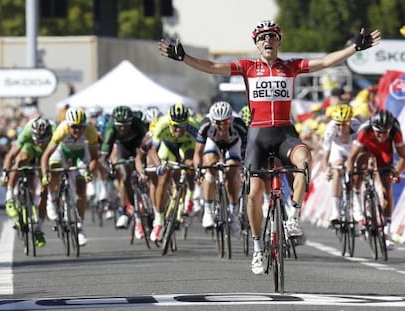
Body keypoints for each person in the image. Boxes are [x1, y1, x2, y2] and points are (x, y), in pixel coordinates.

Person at [158, 20, 381, 274]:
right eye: (263, 37)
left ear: (278, 41)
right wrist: (184, 57)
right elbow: (211, 67)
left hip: (285, 132)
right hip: (258, 136)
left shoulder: (291, 67)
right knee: (253, 193)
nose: (268, 40)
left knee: (304, 161)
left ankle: (294, 220)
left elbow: (326, 61)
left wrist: (354, 48)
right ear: (256, 44)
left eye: (272, 37)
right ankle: (257, 248)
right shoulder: (247, 67)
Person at [346, 109, 405, 250]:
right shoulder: (365, 131)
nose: (381, 135)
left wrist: (395, 172)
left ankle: (387, 231)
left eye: (385, 132)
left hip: (384, 152)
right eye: (378, 132)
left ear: (390, 129)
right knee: (359, 169)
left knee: (386, 189)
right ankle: (357, 204)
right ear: (373, 128)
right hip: (366, 149)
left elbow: (403, 156)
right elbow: (351, 158)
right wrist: (351, 174)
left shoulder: (395, 131)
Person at [41, 107, 99, 247]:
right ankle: (52, 197)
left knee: (81, 193)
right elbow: (45, 156)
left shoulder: (90, 132)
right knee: (54, 166)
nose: (77, 131)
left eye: (80, 127)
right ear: (68, 125)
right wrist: (45, 175)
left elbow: (94, 158)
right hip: (62, 152)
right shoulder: (61, 130)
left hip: (80, 154)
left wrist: (89, 174)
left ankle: (80, 227)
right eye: (73, 127)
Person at [193, 101, 247, 237]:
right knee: (209, 166)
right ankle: (208, 210)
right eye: (218, 122)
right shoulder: (205, 125)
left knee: (232, 170)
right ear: (212, 121)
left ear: (231, 119)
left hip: (233, 144)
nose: (222, 126)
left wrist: (243, 169)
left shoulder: (239, 124)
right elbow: (198, 153)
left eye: (226, 121)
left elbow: (247, 150)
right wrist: (198, 170)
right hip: (213, 143)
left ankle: (234, 214)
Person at [0, 116, 56, 247]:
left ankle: (38, 229)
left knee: (44, 191)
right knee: (19, 161)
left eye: (43, 138)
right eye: (38, 138)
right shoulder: (26, 133)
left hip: (46, 153)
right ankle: (10, 197)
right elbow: (10, 156)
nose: (40, 142)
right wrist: (5, 174)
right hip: (29, 147)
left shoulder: (54, 131)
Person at [148, 103, 199, 242]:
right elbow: (152, 150)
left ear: (187, 123)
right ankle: (158, 220)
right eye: (175, 126)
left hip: (187, 145)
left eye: (182, 126)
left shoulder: (194, 126)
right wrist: (159, 166)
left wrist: (196, 164)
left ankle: (189, 196)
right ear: (170, 122)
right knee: (163, 178)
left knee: (189, 164)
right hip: (168, 145)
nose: (178, 129)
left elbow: (200, 149)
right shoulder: (162, 124)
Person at [99, 105, 149, 239]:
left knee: (146, 169)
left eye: (126, 125)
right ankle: (131, 208)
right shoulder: (110, 129)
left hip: (138, 144)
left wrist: (145, 155)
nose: (122, 128)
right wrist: (109, 168)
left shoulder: (137, 124)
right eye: (119, 126)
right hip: (123, 147)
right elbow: (103, 156)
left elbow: (147, 140)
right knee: (125, 176)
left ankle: (149, 199)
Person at [321, 104, 361, 227]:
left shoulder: (357, 126)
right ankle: (335, 211)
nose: (341, 127)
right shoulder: (330, 129)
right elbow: (326, 154)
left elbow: (363, 148)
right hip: (338, 150)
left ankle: (357, 207)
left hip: (353, 149)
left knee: (356, 171)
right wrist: (326, 170)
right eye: (338, 124)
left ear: (350, 122)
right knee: (336, 170)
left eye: (344, 124)